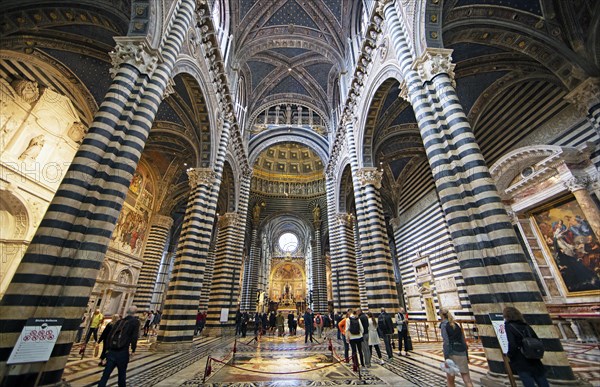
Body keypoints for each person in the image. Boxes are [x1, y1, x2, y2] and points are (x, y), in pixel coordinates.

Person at [504, 306, 549, 387]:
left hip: (521, 358)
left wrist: (509, 355)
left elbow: (512, 344)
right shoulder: (525, 325)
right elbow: (536, 339)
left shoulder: (509, 326)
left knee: (527, 379)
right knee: (540, 378)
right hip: (533, 356)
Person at [98, 306, 140, 387]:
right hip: (123, 352)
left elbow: (109, 336)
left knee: (105, 375)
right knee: (122, 375)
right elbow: (134, 337)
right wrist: (133, 350)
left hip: (112, 352)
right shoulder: (135, 322)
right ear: (135, 313)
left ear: (127, 312)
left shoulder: (120, 321)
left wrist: (107, 350)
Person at [439, 308, 473, 387]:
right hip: (462, 352)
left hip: (452, 353)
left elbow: (446, 341)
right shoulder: (456, 324)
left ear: (441, 315)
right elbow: (463, 341)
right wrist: (466, 355)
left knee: (450, 380)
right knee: (467, 379)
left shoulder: (444, 325)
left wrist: (446, 356)